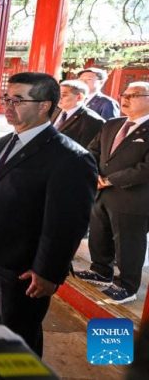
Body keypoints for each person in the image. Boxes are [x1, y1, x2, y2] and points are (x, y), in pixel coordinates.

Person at [0, 72, 97, 356]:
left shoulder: (69, 157)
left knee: (19, 333)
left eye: (18, 100)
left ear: (44, 105)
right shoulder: (4, 142)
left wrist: (48, 271)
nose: (8, 106)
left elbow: (66, 224)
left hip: (23, 265)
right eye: (6, 98)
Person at [75, 81, 149, 304]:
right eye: (124, 94)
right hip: (101, 192)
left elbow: (145, 168)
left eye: (134, 95)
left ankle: (127, 285)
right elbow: (92, 150)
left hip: (132, 197)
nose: (125, 98)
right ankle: (100, 270)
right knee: (99, 233)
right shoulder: (112, 124)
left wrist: (109, 180)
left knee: (128, 242)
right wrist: (94, 173)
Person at [51, 79, 105, 148]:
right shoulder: (52, 112)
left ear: (79, 97)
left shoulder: (93, 120)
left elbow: (86, 149)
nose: (59, 98)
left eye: (63, 95)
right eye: (58, 94)